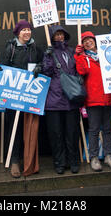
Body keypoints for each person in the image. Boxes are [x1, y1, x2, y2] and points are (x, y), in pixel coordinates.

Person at [0, 20, 43, 178]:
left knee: (30, 128)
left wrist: (40, 66)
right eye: (23, 30)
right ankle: (15, 161)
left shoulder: (36, 48)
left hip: (31, 94)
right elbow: (4, 65)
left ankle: (29, 160)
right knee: (15, 128)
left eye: (29, 29)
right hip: (14, 94)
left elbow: (42, 63)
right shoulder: (10, 48)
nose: (27, 32)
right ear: (18, 32)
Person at [75, 31, 111, 172]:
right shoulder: (84, 58)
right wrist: (78, 56)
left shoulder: (107, 53)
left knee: (108, 129)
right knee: (94, 129)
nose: (88, 42)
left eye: (90, 39)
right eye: (85, 41)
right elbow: (81, 72)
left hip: (109, 97)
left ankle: (108, 155)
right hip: (93, 99)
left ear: (95, 40)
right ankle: (94, 157)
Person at [42, 25, 80, 174]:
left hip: (71, 98)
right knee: (56, 134)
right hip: (54, 99)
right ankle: (59, 162)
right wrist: (47, 57)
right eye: (56, 35)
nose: (59, 37)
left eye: (61, 34)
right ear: (52, 37)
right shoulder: (49, 53)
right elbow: (47, 72)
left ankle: (73, 161)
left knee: (72, 133)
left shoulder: (71, 51)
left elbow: (78, 69)